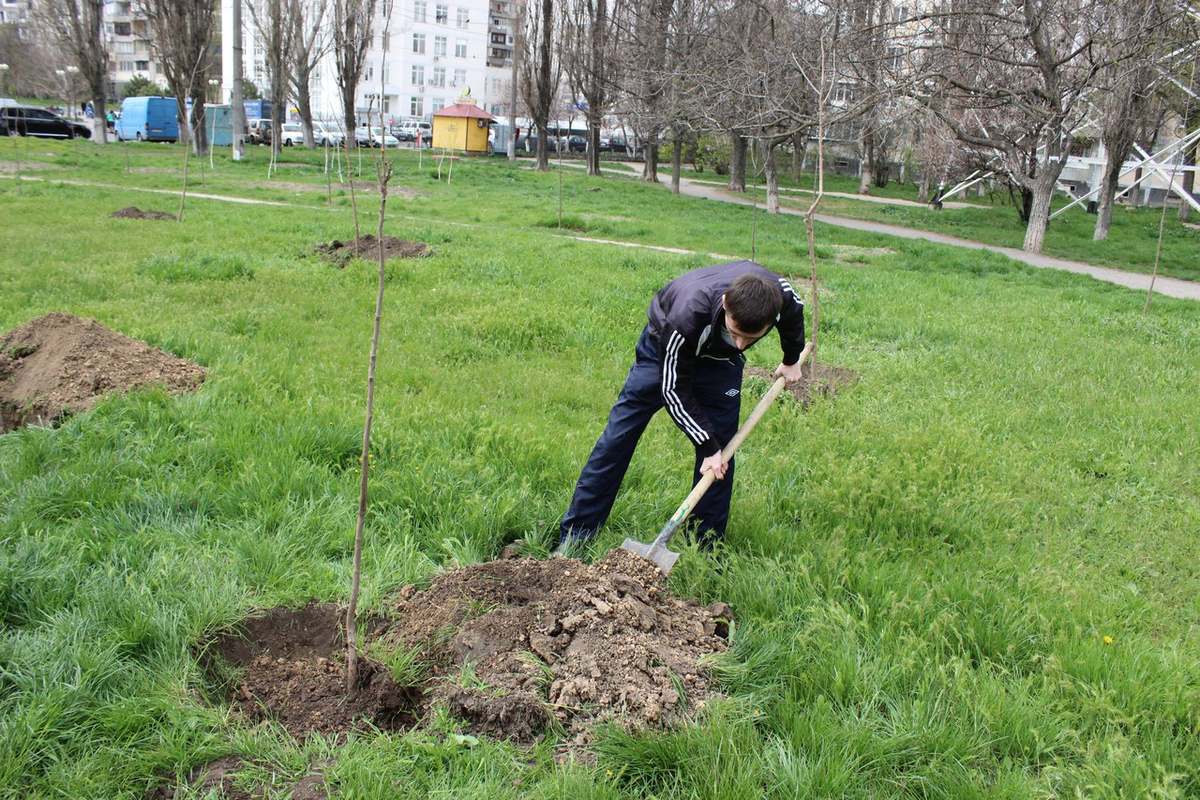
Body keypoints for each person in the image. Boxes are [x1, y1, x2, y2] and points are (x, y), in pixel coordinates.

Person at [558, 260, 807, 552]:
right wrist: (705, 443)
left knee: (721, 455)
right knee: (618, 438)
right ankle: (576, 536)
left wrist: (791, 359)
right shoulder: (686, 315)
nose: (740, 345)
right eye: (735, 332)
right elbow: (673, 389)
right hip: (662, 351)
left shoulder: (781, 296)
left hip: (720, 363)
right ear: (725, 304)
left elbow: (794, 314)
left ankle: (705, 548)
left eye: (749, 338)